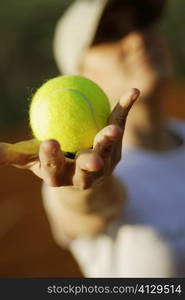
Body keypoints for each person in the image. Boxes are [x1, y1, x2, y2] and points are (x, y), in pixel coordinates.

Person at [1, 0, 185, 277]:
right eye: (110, 33)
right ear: (79, 75)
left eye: (142, 23)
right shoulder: (72, 174)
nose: (137, 38)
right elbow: (88, 208)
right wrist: (85, 188)